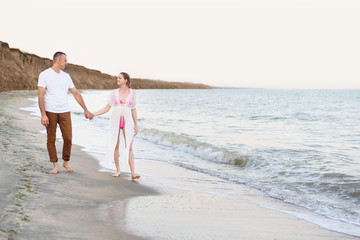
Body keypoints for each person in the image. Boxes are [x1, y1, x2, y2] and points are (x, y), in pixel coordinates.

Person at [38, 52, 93, 174]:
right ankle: (55, 165)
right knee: (51, 139)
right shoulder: (44, 75)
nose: (67, 63)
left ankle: (66, 162)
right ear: (58, 60)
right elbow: (40, 95)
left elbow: (76, 93)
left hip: (64, 111)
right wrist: (43, 114)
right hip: (50, 111)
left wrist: (85, 109)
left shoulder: (66, 76)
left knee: (68, 138)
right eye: (65, 61)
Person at [93, 72, 140, 179]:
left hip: (128, 121)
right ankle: (118, 170)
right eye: (117, 78)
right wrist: (93, 114)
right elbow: (106, 108)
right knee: (116, 145)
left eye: (120, 78)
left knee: (130, 147)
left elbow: (133, 110)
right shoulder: (114, 93)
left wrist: (136, 125)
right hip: (115, 120)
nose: (117, 79)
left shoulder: (133, 93)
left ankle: (133, 173)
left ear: (126, 80)